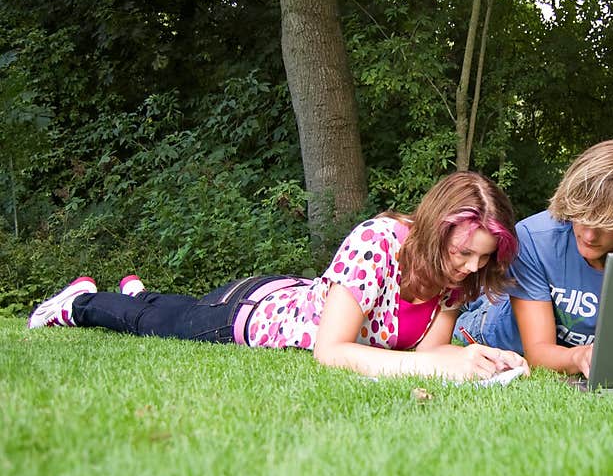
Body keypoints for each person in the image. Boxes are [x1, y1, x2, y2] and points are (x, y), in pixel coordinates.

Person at [28, 171, 530, 382]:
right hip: (254, 315)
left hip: (293, 293)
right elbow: (331, 352)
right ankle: (78, 303)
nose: (471, 268)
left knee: (166, 307)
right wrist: (439, 369)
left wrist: (474, 357)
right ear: (434, 227)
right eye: (465, 252)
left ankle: (140, 292)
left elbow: (427, 352)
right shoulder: (378, 242)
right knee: (153, 321)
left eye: (483, 259)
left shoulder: (455, 274)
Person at [453, 139, 613, 378]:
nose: (590, 235)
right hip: (496, 328)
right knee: (478, 297)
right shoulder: (534, 239)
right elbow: (538, 352)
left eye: (606, 226)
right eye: (582, 218)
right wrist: (579, 357)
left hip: (561, 334)